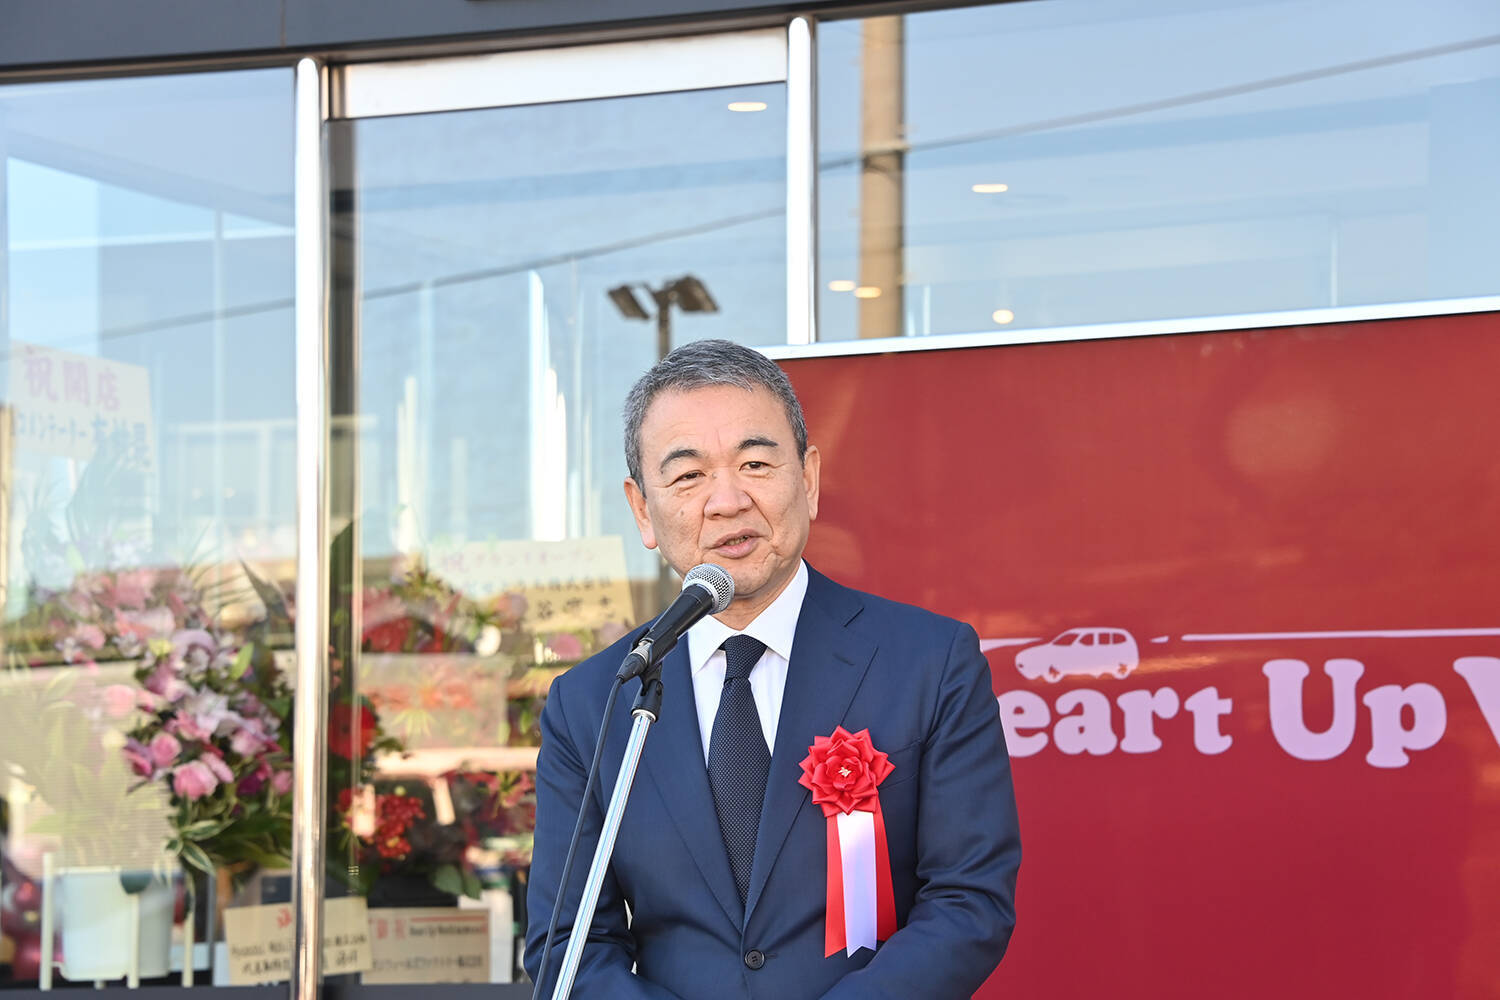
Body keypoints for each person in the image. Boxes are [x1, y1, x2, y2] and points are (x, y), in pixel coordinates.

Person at [526, 339, 1020, 999]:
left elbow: (968, 901)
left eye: (755, 463)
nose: (728, 500)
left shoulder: (929, 661)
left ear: (808, 479)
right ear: (643, 509)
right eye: (688, 476)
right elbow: (568, 942)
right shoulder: (596, 700)